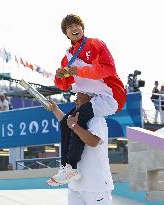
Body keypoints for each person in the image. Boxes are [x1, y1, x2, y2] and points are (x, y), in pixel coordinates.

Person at [48, 14, 125, 187]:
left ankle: (72, 165)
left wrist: (80, 71)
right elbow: (64, 85)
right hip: (89, 97)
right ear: (66, 34)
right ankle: (66, 166)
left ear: (82, 28)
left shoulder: (96, 43)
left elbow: (109, 68)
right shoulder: (68, 56)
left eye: (76, 25)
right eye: (69, 27)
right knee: (65, 122)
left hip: (109, 95)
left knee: (79, 117)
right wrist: (59, 77)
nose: (74, 28)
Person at [47, 92, 114, 205]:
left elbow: (93, 141)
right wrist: (54, 109)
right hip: (75, 186)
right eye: (75, 98)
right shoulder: (77, 119)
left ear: (90, 101)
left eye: (79, 98)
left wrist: (74, 126)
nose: (75, 101)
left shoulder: (97, 119)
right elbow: (66, 122)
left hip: (96, 186)